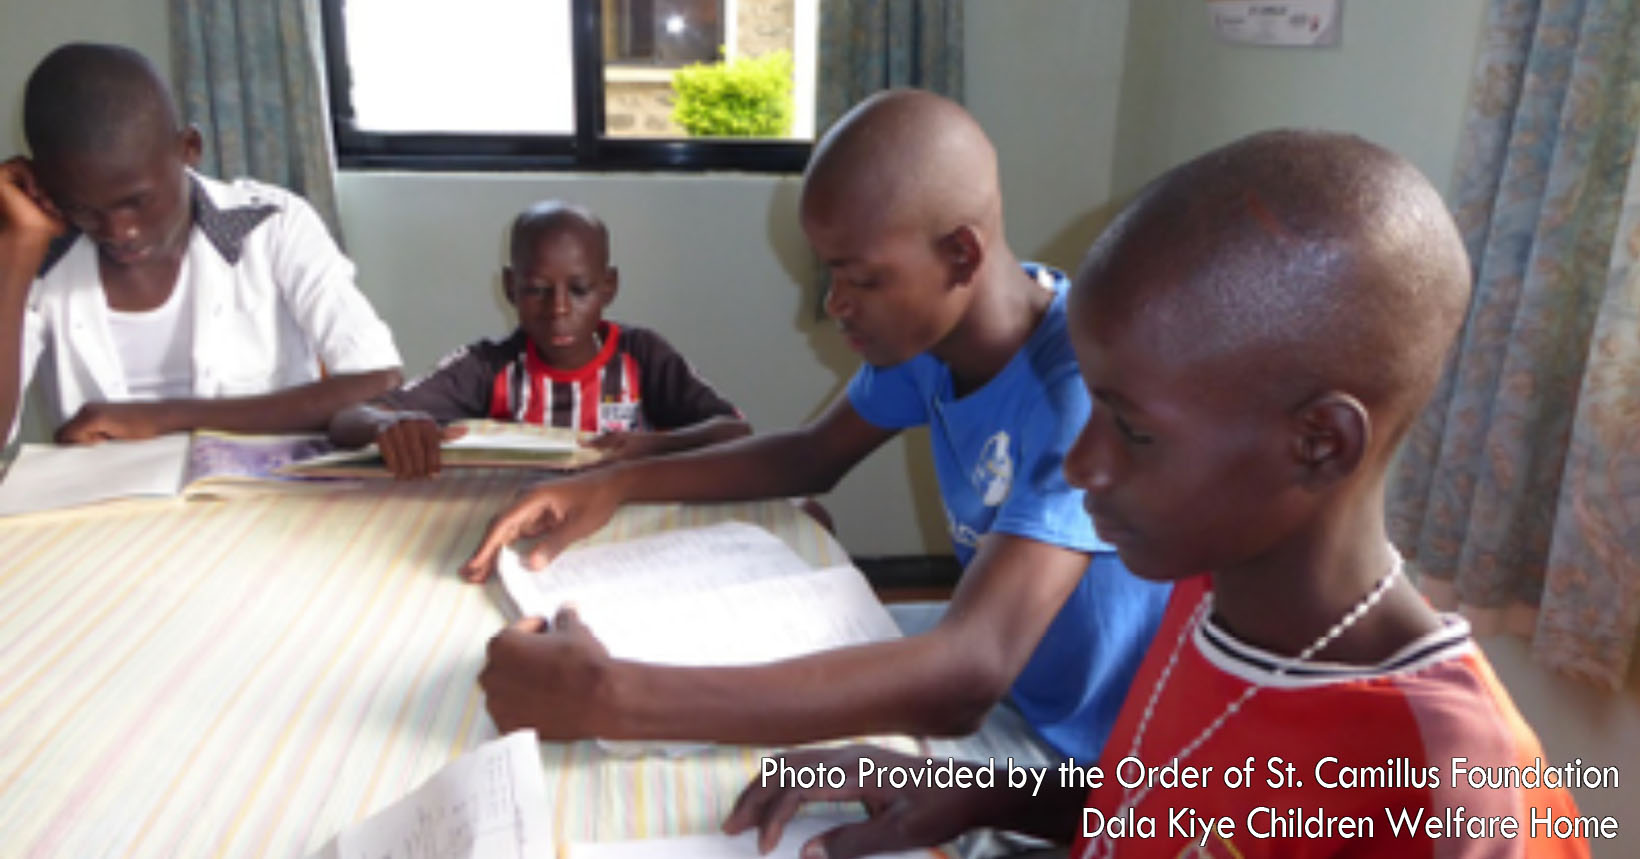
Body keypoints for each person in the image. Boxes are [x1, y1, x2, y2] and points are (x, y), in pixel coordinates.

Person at [720, 130, 1591, 859]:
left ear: (1319, 443)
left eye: (1133, 429)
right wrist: (977, 791)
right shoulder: (1206, 600)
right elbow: (1166, 804)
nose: (1083, 464)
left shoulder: (1454, 789)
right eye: (1091, 405)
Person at [464, 89, 1171, 762]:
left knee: (761, 781)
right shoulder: (937, 338)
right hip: (1014, 678)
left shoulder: (1079, 397)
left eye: (859, 278)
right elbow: (808, 456)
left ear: (961, 254)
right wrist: (617, 483)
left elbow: (965, 677)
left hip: (1080, 756)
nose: (836, 304)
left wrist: (613, 698)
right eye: (828, 274)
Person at [0, 42, 402, 446]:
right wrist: (16, 248)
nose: (119, 231)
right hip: (108, 506)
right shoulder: (37, 257)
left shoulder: (272, 227)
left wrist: (168, 417)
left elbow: (378, 381)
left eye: (137, 202)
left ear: (188, 148)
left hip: (267, 496)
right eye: (83, 208)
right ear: (44, 185)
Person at [327, 200, 751, 478]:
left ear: (609, 287)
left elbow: (735, 432)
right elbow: (348, 419)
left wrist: (651, 445)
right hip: (522, 524)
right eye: (537, 289)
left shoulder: (642, 356)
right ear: (511, 288)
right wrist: (389, 424)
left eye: (580, 290)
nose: (559, 309)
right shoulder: (488, 366)